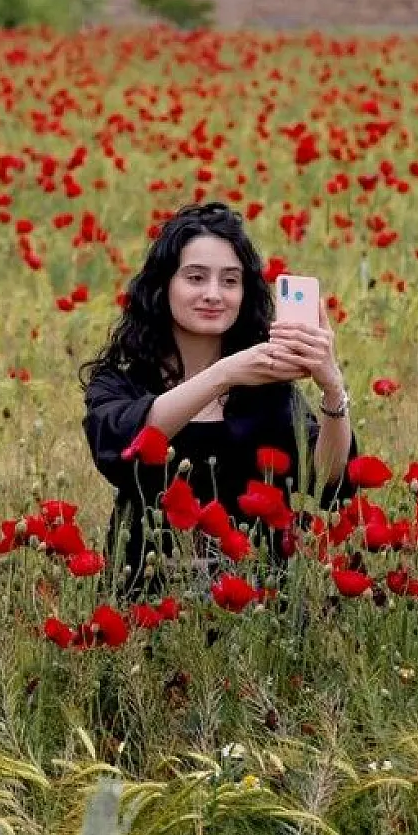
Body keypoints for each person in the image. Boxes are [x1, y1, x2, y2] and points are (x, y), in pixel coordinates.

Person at [79, 201, 359, 598]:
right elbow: (122, 446)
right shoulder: (125, 380)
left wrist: (332, 388)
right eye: (195, 278)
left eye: (230, 281)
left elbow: (328, 478)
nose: (213, 294)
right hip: (149, 592)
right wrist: (224, 374)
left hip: (258, 597)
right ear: (164, 286)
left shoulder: (266, 384)